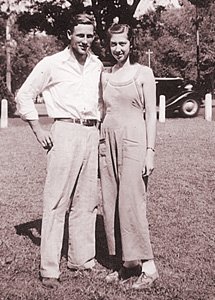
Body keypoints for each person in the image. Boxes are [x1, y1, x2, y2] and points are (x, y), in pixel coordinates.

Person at [16, 13, 103, 288]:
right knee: (56, 202)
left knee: (86, 202)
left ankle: (82, 260)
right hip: (64, 132)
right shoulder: (52, 63)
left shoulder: (97, 64)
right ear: (69, 34)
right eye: (80, 35)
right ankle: (49, 269)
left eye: (89, 36)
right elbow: (24, 95)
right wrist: (38, 129)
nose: (85, 41)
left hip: (92, 132)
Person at [99, 23, 158, 289]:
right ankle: (127, 264)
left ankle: (149, 267)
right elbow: (101, 111)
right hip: (107, 143)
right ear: (108, 46)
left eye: (122, 43)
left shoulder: (143, 73)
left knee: (132, 203)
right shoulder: (104, 75)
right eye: (114, 44)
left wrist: (150, 152)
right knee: (111, 203)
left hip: (134, 142)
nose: (118, 48)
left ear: (130, 44)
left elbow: (151, 117)